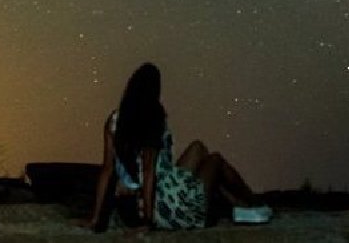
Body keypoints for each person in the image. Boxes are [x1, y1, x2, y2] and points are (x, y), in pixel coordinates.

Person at [81, 62, 272, 233]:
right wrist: (148, 221)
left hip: (164, 182)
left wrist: (95, 219)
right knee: (216, 160)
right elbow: (149, 172)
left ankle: (236, 203)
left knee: (198, 147)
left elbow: (107, 169)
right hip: (166, 200)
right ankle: (253, 202)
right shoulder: (152, 117)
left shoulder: (114, 120)